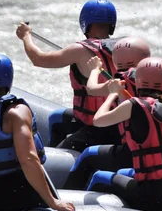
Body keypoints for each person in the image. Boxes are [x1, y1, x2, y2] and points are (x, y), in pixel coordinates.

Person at [0, 53, 75, 211]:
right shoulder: (16, 112)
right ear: (8, 79)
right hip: (28, 198)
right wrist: (52, 202)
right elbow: (29, 159)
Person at [87, 57, 162, 211]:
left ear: (137, 81)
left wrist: (112, 94)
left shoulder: (133, 105)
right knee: (123, 173)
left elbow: (98, 120)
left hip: (153, 197)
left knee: (100, 177)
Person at [15, 0, 121, 151]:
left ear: (85, 22)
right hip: (118, 119)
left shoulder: (78, 50)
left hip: (98, 129)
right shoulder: (122, 49)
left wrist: (26, 36)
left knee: (58, 151)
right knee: (56, 119)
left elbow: (38, 59)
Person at [62, 37, 152, 188]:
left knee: (89, 155)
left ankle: (69, 195)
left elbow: (91, 89)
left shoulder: (121, 83)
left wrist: (95, 70)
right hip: (150, 152)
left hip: (132, 152)